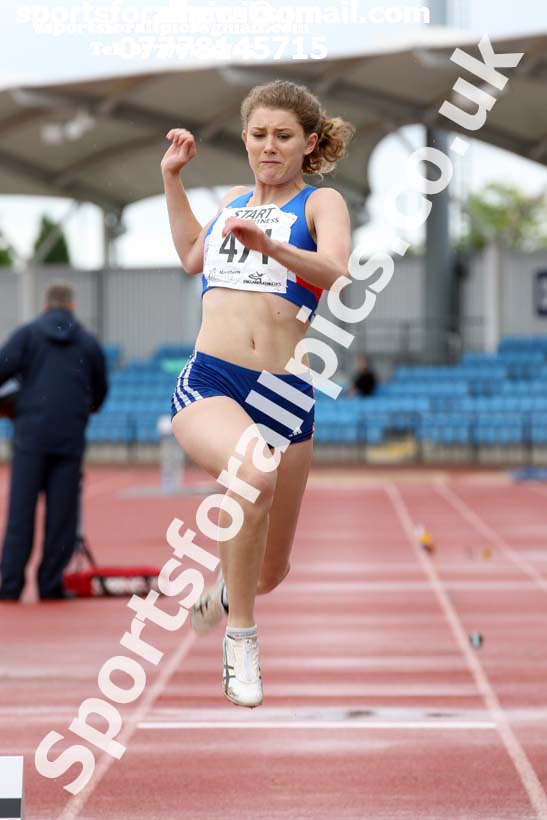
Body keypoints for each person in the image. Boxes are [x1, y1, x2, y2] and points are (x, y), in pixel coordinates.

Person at [162, 80, 354, 707]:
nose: (269, 146)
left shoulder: (321, 203)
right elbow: (193, 255)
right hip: (213, 378)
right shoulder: (230, 202)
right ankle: (240, 642)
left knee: (270, 572)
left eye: (283, 136)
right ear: (244, 139)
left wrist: (271, 245)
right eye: (259, 135)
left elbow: (335, 273)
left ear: (308, 143)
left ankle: (226, 593)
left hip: (286, 394)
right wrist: (172, 180)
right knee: (253, 471)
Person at [0, 281, 108, 601]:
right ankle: (50, 585)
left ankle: (9, 585)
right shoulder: (87, 342)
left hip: (31, 436)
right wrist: (84, 409)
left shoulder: (28, 335)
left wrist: (14, 404)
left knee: (21, 513)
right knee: (62, 517)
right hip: (69, 437)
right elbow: (101, 390)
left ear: (46, 306)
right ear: (72, 306)